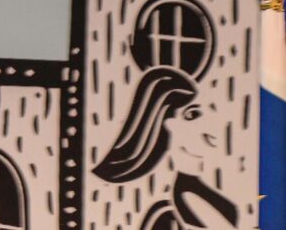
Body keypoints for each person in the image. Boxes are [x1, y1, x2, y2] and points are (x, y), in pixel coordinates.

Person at [93, 66, 237, 229]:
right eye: (193, 115)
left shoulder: (192, 191)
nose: (210, 123)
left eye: (212, 111)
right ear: (168, 124)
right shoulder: (184, 197)